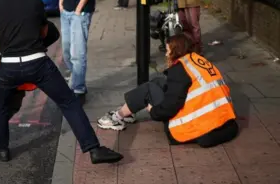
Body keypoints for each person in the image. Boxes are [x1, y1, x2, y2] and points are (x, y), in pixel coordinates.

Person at [0, 0, 122, 164]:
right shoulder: (34, 0)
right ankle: (94, 149)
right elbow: (45, 32)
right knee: (68, 102)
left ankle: (0, 148)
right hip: (38, 64)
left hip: (8, 65)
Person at [97, 34, 238, 148]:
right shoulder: (197, 60)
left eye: (168, 50)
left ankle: (116, 117)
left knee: (149, 89)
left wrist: (153, 111)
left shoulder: (180, 70)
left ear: (176, 51)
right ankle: (128, 112)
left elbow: (170, 108)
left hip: (195, 126)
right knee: (159, 81)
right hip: (221, 121)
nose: (166, 54)